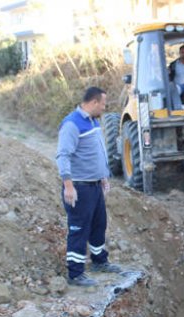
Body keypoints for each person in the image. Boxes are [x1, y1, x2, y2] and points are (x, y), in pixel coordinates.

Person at [56, 87, 123, 286]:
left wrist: (103, 177)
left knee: (98, 225)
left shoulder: (92, 121)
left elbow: (96, 152)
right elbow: (63, 156)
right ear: (94, 102)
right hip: (79, 187)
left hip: (94, 186)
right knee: (79, 229)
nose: (104, 108)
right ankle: (75, 274)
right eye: (103, 104)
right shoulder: (72, 124)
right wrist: (68, 186)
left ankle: (99, 262)